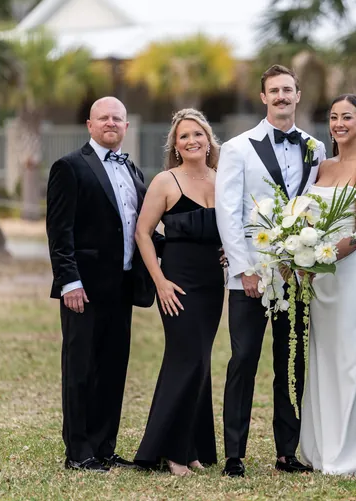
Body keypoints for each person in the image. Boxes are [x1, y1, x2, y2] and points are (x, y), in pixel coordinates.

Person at [215, 64, 325, 477]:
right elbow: (227, 211)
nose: (281, 96)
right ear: (263, 97)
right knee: (243, 359)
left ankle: (286, 452)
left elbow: (316, 208)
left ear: (298, 96)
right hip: (251, 275)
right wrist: (243, 269)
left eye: (288, 90)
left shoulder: (316, 148)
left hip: (297, 275)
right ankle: (234, 454)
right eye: (273, 90)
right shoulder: (237, 148)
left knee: (290, 362)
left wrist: (309, 262)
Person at [46, 96, 160, 473]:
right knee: (80, 369)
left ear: (126, 127)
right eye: (103, 118)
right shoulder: (69, 167)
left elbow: (140, 230)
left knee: (113, 369)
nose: (111, 123)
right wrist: (69, 282)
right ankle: (79, 452)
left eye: (118, 118)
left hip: (124, 286)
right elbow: (59, 232)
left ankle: (105, 448)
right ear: (90, 125)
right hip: (85, 289)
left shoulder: (133, 170)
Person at [298, 94, 356, 475]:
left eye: (347, 117)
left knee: (352, 354)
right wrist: (300, 254)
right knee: (325, 355)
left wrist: (320, 258)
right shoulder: (322, 165)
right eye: (334, 117)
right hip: (320, 278)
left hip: (349, 272)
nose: (339, 124)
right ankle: (325, 447)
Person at [132, 109, 225, 476]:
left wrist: (228, 249)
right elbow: (142, 233)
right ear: (175, 144)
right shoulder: (165, 181)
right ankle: (171, 451)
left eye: (198, 135)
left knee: (201, 362)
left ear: (208, 140)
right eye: (184, 136)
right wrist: (160, 281)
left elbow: (235, 226)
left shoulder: (222, 179)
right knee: (185, 360)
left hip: (212, 284)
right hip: (177, 283)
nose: (191, 141)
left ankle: (192, 448)